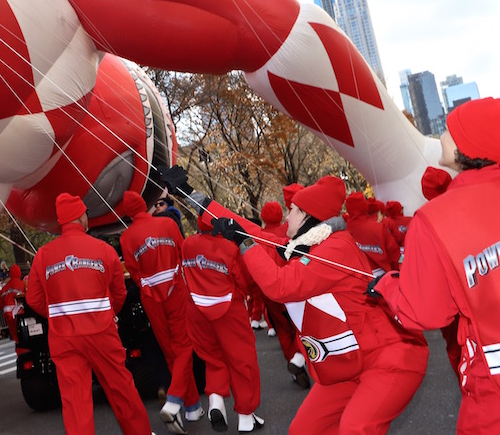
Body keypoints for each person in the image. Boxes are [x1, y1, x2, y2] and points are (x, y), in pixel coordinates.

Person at [159, 166, 429, 434]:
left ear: (309, 216)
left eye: (294, 211)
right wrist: (192, 195)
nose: (288, 215)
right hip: (347, 366)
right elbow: (254, 232)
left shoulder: (336, 247)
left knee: (355, 428)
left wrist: (244, 245)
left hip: (389, 361)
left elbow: (281, 286)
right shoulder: (304, 247)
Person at [371, 97, 500, 433]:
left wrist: (387, 285)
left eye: (449, 128)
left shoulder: (434, 220)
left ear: (469, 145)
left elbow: (422, 313)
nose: (441, 134)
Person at [25, 193, 151, 435]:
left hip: (64, 338)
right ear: (81, 217)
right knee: (122, 390)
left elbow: (34, 299)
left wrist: (58, 317)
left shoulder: (43, 255)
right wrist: (108, 314)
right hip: (102, 333)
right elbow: (119, 293)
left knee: (75, 402)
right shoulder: (103, 250)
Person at [119, 191, 202, 435]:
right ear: (145, 206)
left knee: (170, 351)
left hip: (151, 296)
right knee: (184, 346)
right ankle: (176, 400)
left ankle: (193, 406)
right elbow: (181, 252)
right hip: (175, 288)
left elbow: (133, 272)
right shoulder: (167, 223)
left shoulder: (126, 237)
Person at [181, 214, 265, 432]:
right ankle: (246, 416)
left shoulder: (187, 244)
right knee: (242, 360)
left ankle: (216, 400)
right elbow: (245, 281)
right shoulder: (229, 248)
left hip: (196, 310)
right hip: (228, 309)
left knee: (213, 359)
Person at [260, 201, 310, 389]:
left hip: (270, 291)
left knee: (282, 330)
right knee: (300, 325)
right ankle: (299, 356)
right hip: (291, 286)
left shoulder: (259, 236)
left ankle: (293, 359)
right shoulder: (289, 230)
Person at [344, 192, 401, 276]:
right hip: (382, 278)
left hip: (358, 279)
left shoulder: (343, 231)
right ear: (364, 206)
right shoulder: (379, 228)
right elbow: (394, 255)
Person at [0, 264, 26, 343]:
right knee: (23, 333)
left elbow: (1, 302)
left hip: (7, 313)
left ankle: (18, 346)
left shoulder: (5, 287)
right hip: (18, 312)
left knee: (15, 335)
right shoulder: (22, 284)